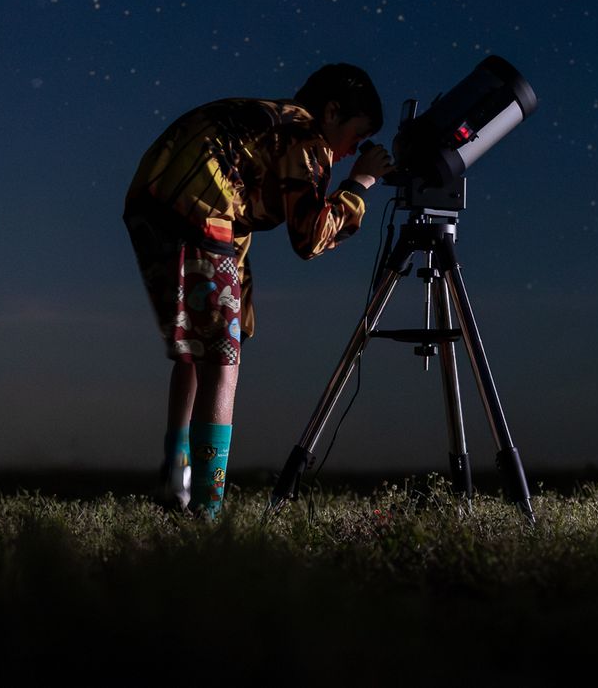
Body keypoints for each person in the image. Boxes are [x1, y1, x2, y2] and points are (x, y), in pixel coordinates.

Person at [122, 63, 395, 518]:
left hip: (155, 203)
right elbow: (310, 237)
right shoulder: (307, 135)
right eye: (356, 134)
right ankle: (206, 508)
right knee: (222, 359)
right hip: (198, 211)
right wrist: (358, 185)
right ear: (332, 112)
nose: (352, 149)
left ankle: (177, 479)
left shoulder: (272, 120)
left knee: (197, 349)